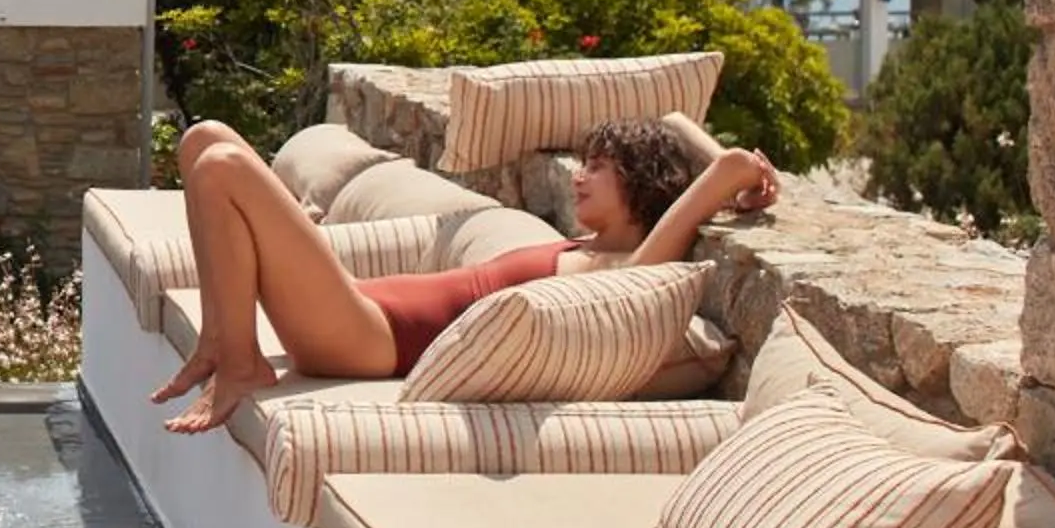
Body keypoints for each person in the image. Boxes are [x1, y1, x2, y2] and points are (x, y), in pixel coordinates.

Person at [151, 115, 780, 435]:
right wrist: (743, 175)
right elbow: (673, 120)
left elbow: (656, 256)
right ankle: (221, 341)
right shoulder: (586, 242)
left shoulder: (623, 268)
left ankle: (238, 360)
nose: (578, 176)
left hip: (367, 337)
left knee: (223, 164)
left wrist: (728, 175)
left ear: (643, 184)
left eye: (599, 167)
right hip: (356, 311)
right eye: (582, 164)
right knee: (203, 139)